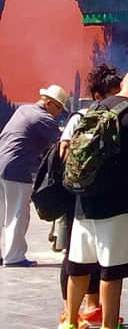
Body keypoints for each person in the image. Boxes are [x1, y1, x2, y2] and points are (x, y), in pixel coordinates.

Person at [62, 66, 128, 329]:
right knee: (112, 269)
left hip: (84, 201)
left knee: (79, 266)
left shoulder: (94, 108)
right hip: (118, 204)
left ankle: (69, 326)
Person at [55, 63, 121, 329]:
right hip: (76, 196)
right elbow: (63, 154)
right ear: (98, 95)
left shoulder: (115, 119)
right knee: (75, 255)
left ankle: (93, 306)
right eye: (113, 94)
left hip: (100, 194)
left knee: (96, 253)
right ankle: (67, 312)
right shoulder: (79, 118)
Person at [0, 84, 68, 266]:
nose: (59, 112)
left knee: (1, 213)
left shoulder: (24, 110)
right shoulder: (44, 118)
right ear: (49, 102)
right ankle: (14, 257)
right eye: (59, 107)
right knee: (17, 214)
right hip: (17, 169)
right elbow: (63, 144)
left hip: (1, 162)